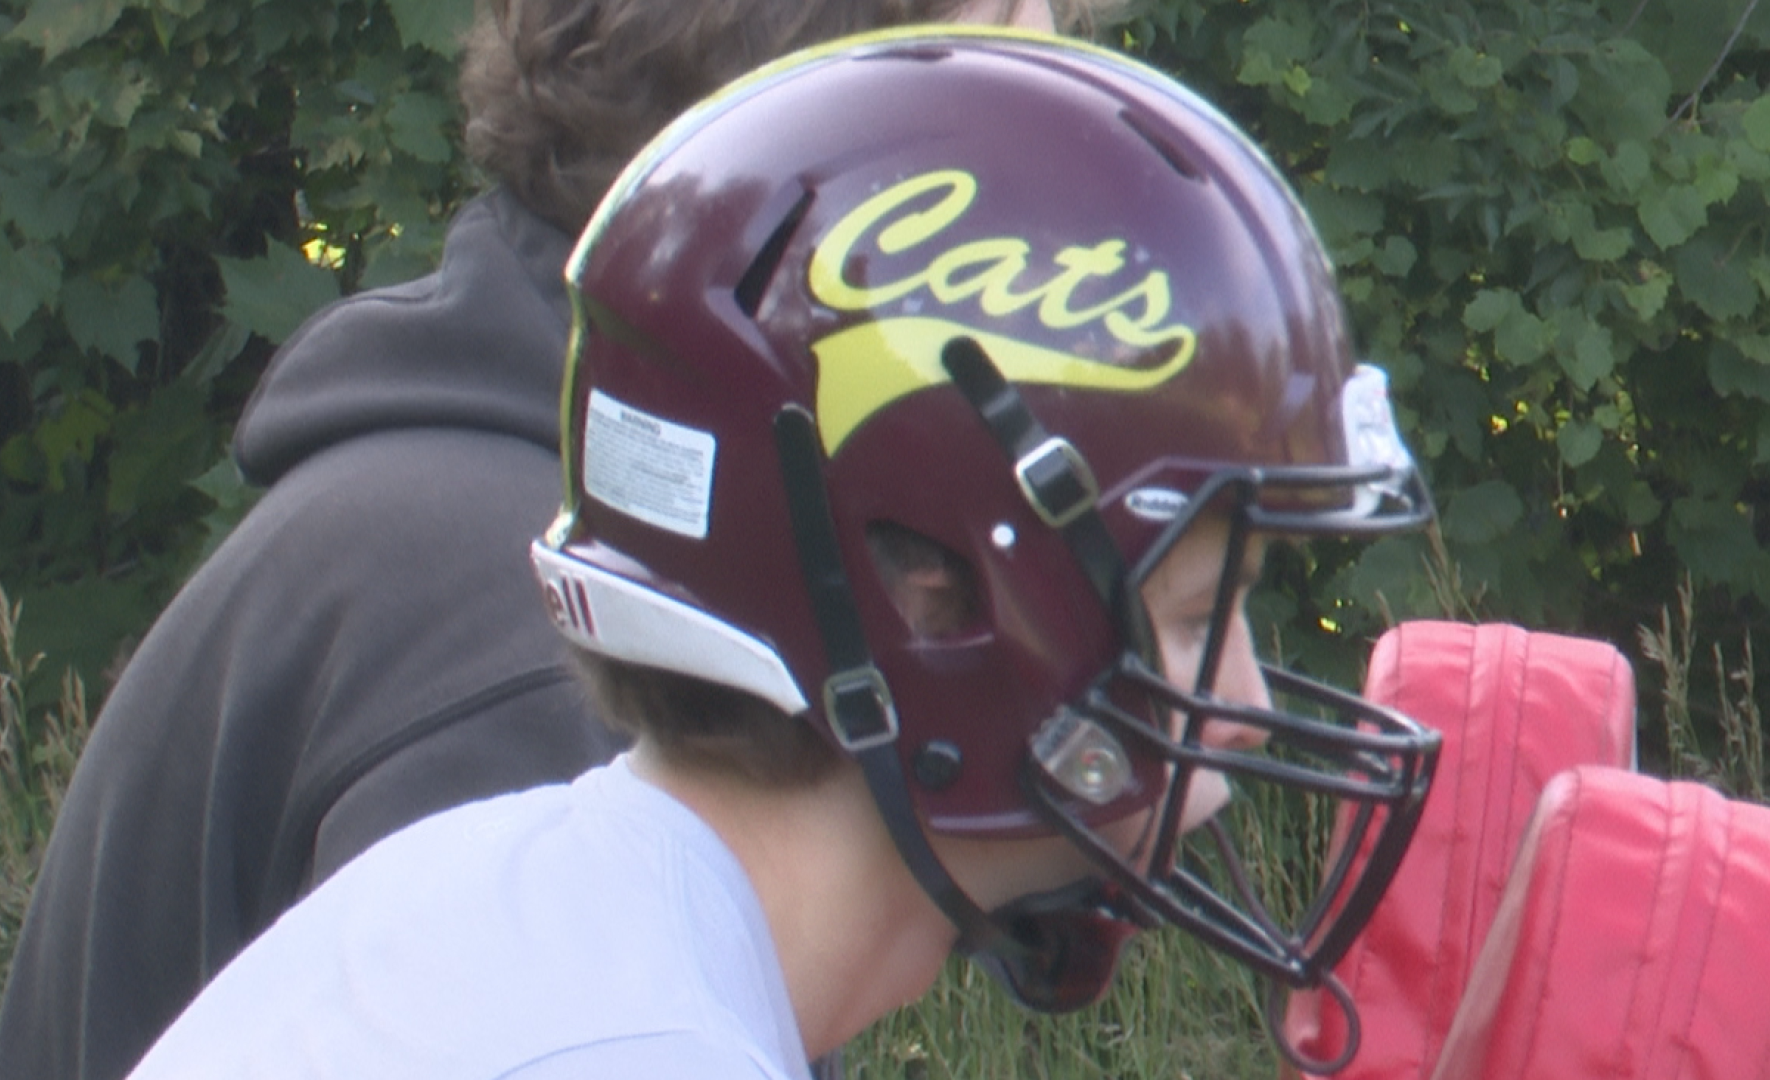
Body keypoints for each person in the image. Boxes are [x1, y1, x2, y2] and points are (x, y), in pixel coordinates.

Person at [121, 26, 1442, 1078]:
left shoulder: (512, 904)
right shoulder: (622, 1041)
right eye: (1199, 609)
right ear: (934, 596)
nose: (1254, 713)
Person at [0, 5, 1117, 1080]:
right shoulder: (565, 632)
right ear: (802, 169)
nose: (1066, 225)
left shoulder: (466, 506)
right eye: (1002, 118)